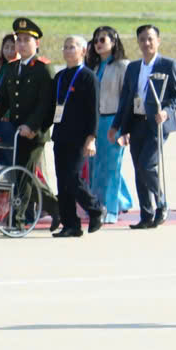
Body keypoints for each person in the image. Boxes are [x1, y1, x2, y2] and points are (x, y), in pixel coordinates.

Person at [115, 25, 176, 229]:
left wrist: (166, 111)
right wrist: (119, 127)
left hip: (157, 124)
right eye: (142, 39)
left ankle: (161, 202)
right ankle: (146, 214)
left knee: (147, 165)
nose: (146, 43)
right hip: (137, 122)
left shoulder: (169, 65)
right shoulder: (134, 67)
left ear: (158, 41)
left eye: (150, 39)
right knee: (138, 168)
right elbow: (127, 98)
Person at [48, 35, 103, 238]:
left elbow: (93, 111)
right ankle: (70, 224)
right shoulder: (60, 77)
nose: (68, 50)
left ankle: (95, 208)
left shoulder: (88, 77)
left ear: (83, 51)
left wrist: (92, 138)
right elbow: (51, 107)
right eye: (65, 47)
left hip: (79, 137)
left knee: (73, 178)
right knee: (62, 181)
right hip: (61, 135)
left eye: (73, 47)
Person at [0, 19, 55, 198]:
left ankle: (18, 219)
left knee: (24, 175)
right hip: (14, 129)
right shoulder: (12, 67)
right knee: (22, 173)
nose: (21, 45)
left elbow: (46, 103)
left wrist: (32, 126)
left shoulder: (43, 68)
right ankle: (53, 206)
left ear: (36, 43)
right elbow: (3, 100)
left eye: (26, 40)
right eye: (18, 40)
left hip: (33, 132)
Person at [86, 26, 138, 223]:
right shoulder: (95, 66)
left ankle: (108, 208)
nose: (98, 44)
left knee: (110, 166)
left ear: (113, 42)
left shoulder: (122, 66)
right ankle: (123, 200)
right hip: (96, 121)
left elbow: (128, 98)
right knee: (95, 165)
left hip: (114, 120)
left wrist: (126, 127)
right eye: (96, 40)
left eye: (103, 40)